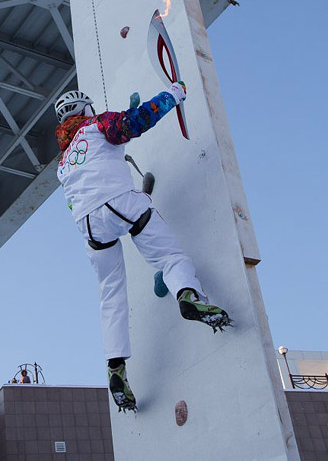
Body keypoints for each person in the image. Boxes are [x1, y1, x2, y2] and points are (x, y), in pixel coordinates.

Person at [55, 85, 231, 412]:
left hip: (88, 225)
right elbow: (136, 121)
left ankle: (116, 367)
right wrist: (174, 94)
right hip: (120, 202)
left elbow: (73, 201)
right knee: (170, 257)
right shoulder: (98, 125)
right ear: (86, 110)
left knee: (111, 292)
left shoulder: (63, 163)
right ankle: (188, 295)